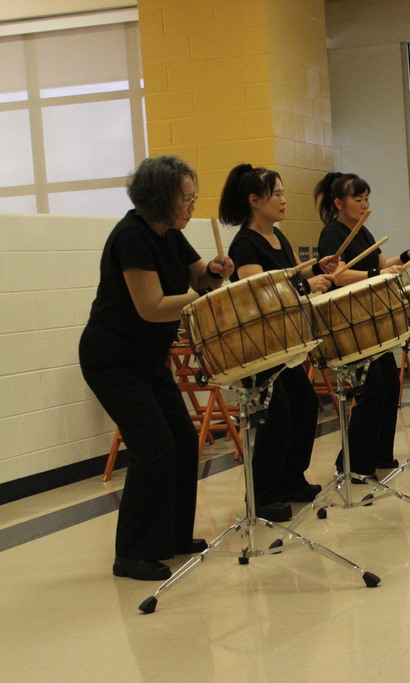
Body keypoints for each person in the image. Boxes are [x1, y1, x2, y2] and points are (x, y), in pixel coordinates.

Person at [79, 155, 234, 581]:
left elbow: (200, 276)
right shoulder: (132, 236)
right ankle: (131, 553)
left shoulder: (170, 233)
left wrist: (216, 274)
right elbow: (150, 308)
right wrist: (205, 300)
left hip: (146, 359)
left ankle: (170, 536)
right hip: (111, 359)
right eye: (186, 198)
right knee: (153, 448)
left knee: (183, 441)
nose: (191, 205)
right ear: (162, 198)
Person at [219, 164, 339, 521]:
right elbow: (262, 293)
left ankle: (290, 479)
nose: (285, 200)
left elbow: (288, 274)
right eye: (278, 195)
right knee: (277, 413)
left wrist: (316, 269)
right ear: (255, 201)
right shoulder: (244, 243)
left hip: (283, 341)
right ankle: (262, 494)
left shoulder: (277, 236)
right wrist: (305, 285)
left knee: (303, 405)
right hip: (258, 344)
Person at [315, 172, 410, 477]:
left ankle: (379, 454)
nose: (364, 205)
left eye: (366, 199)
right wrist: (374, 276)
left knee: (389, 384)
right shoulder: (333, 233)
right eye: (357, 199)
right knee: (372, 388)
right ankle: (352, 464)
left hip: (371, 320)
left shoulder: (362, 230)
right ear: (339, 203)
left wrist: (405, 256)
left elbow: (381, 263)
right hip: (348, 323)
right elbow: (337, 275)